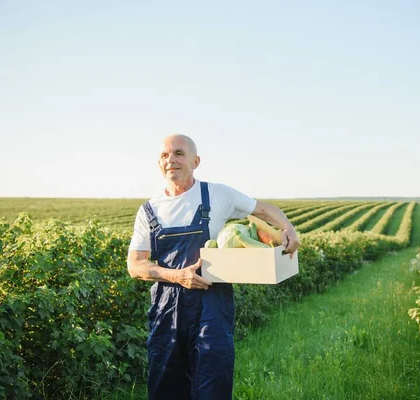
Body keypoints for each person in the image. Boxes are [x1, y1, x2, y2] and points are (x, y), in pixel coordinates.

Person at [126, 134, 300, 400]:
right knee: (165, 387)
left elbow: (263, 210)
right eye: (164, 155)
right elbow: (135, 264)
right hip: (167, 312)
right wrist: (176, 276)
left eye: (179, 154)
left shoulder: (217, 194)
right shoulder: (149, 210)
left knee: (213, 387)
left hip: (212, 310)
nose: (171, 160)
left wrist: (288, 228)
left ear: (195, 161)